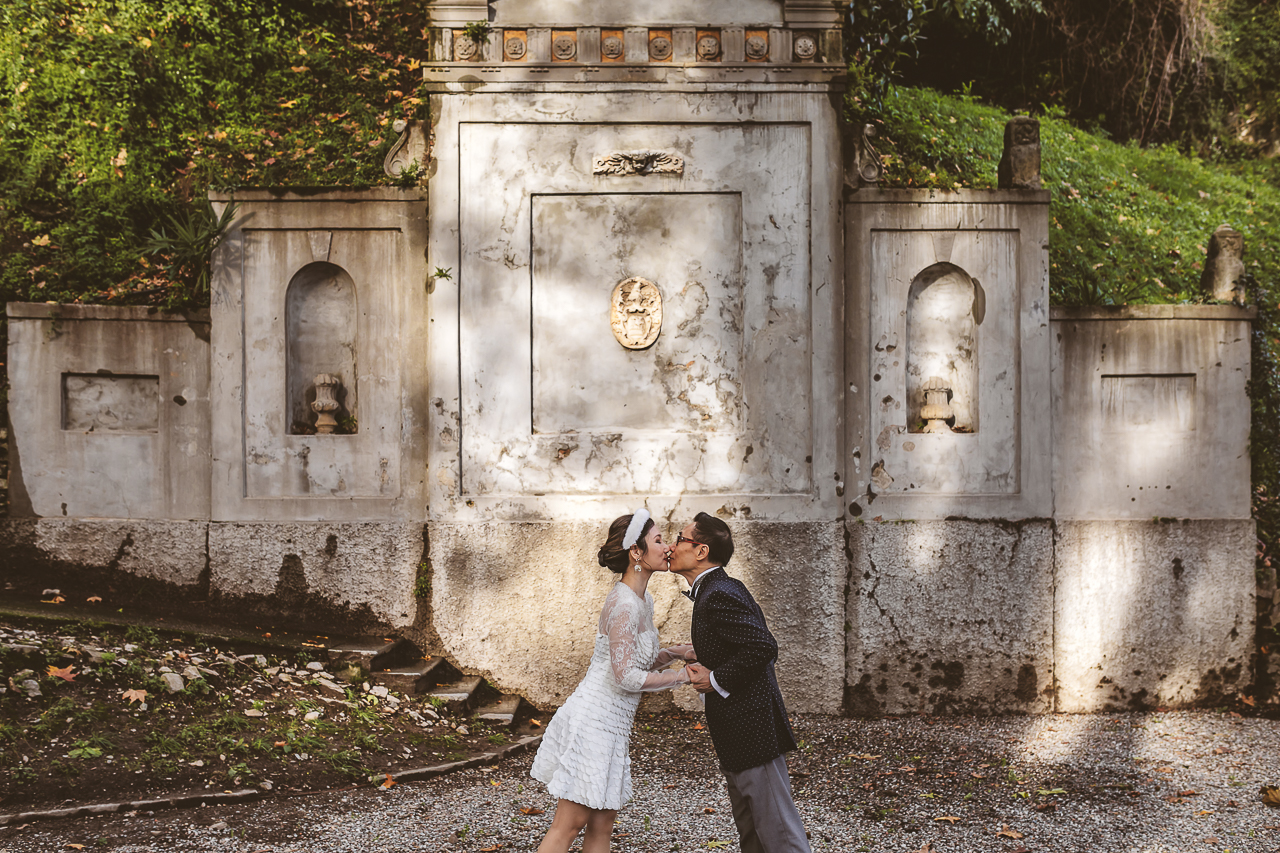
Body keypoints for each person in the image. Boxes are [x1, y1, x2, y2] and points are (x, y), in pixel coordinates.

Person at [530, 509, 695, 853]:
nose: (667, 548)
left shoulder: (642, 600)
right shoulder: (624, 605)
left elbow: (638, 657)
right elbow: (626, 677)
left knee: (602, 826)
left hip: (613, 727)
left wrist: (676, 652)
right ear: (636, 552)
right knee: (568, 826)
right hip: (594, 721)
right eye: (659, 540)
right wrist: (683, 677)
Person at [669, 512, 812, 853]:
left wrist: (714, 679)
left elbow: (763, 646)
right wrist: (696, 653)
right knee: (753, 833)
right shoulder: (716, 589)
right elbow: (736, 642)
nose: (673, 546)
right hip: (738, 731)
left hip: (752, 731)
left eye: (680, 539)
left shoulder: (718, 592)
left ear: (701, 551)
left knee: (779, 834)